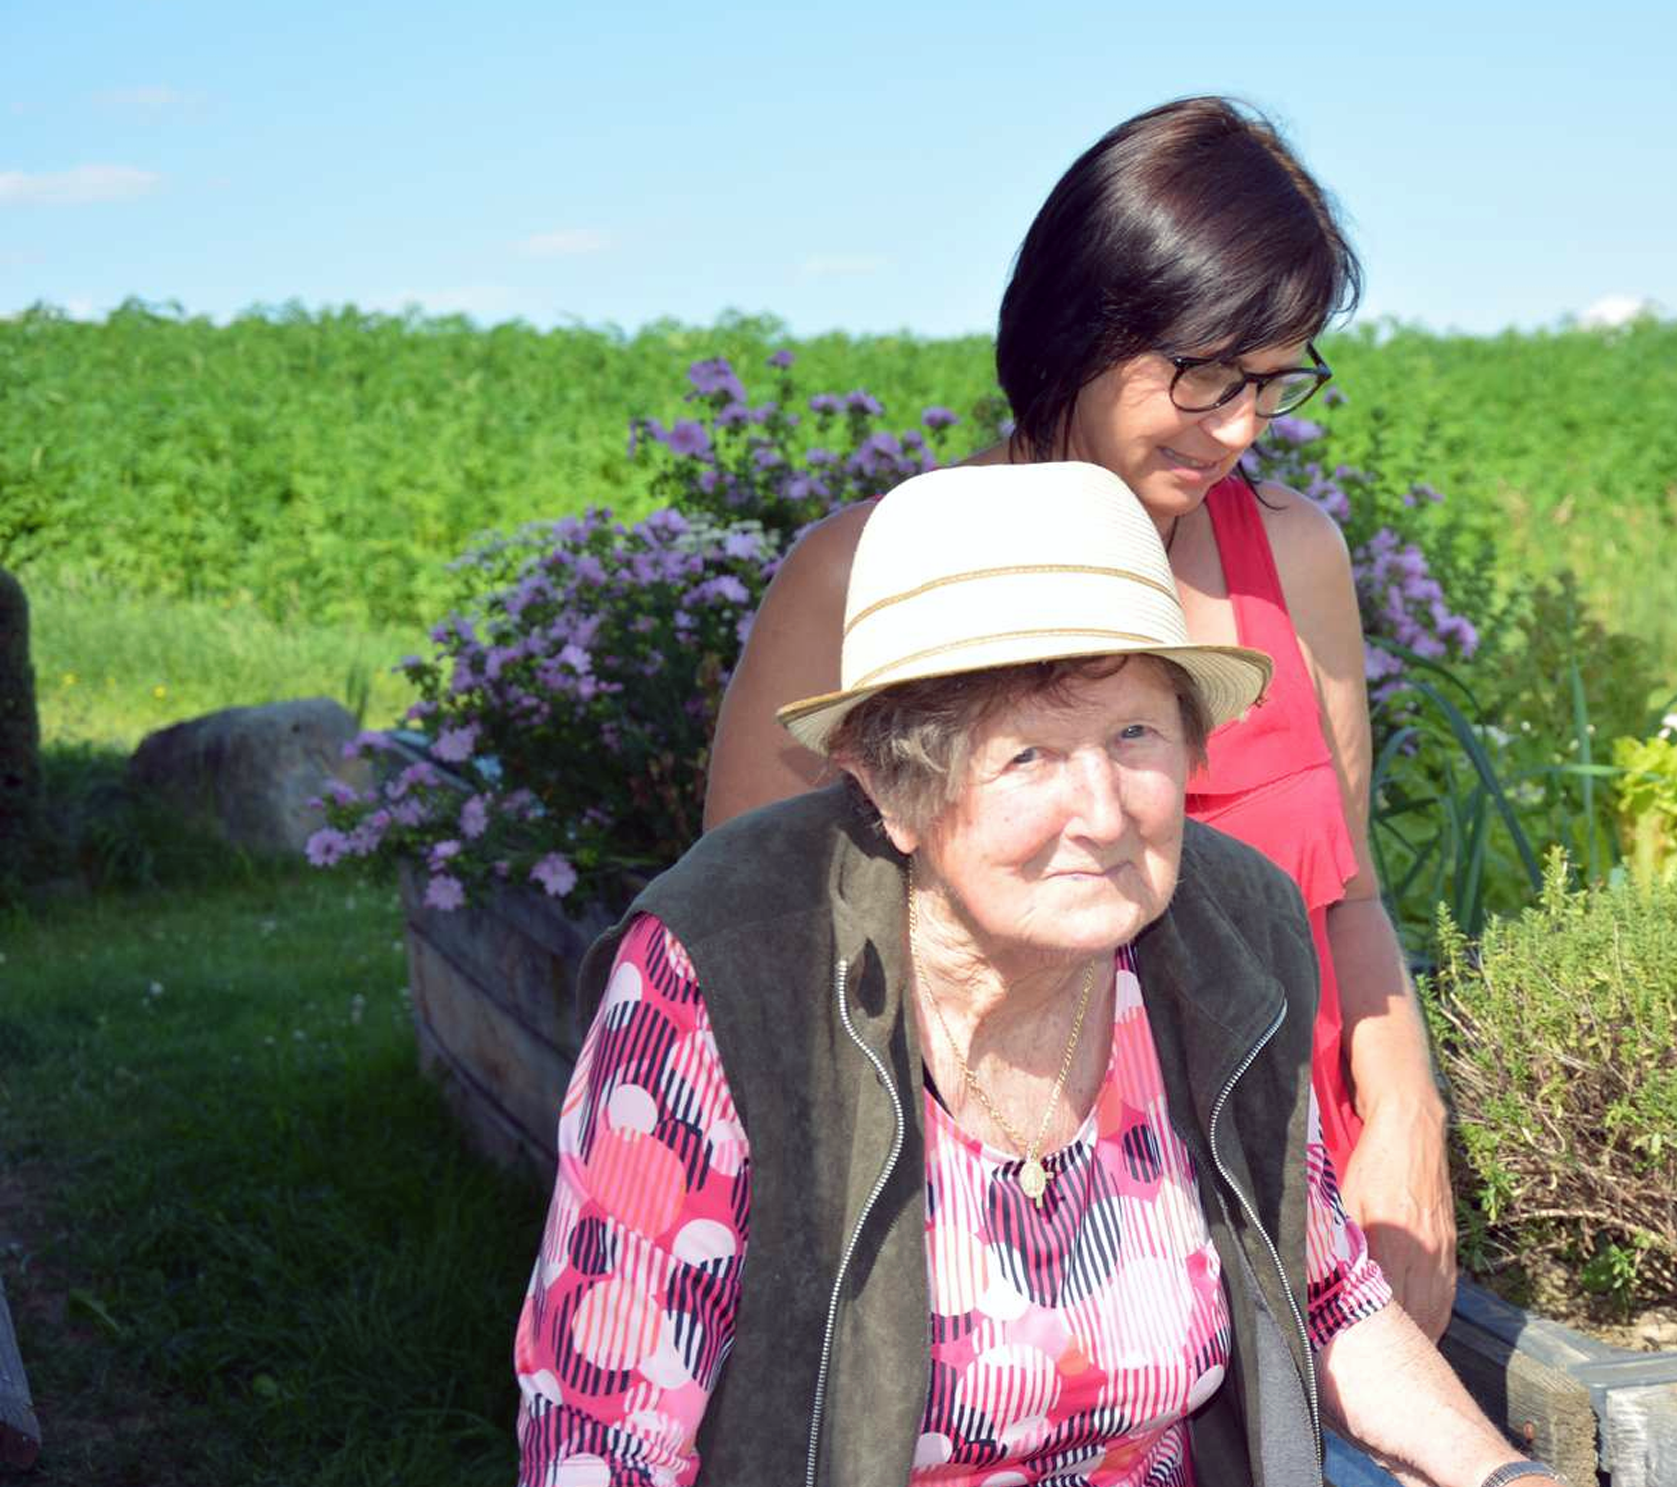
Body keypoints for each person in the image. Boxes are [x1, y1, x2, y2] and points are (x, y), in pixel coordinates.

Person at [514, 464, 1558, 1487]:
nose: (1103, 813)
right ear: (894, 788)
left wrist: (1501, 1470)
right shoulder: (727, 970)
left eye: (1134, 733)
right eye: (1028, 755)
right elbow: (604, 1431)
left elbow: (1323, 1290)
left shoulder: (1228, 929)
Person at [702, 95, 1457, 1339]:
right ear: (1079, 326)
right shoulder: (867, 576)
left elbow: (1351, 893)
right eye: (1207, 373)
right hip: (1011, 1269)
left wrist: (1407, 1127)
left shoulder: (1293, 557)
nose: (1241, 428)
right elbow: (753, 952)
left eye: (1275, 381)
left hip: (1307, 1223)